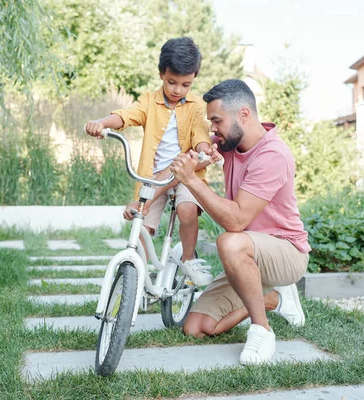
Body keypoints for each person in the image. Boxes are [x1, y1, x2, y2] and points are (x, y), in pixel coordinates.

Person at [169, 79, 311, 365]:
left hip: (286, 253)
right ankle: (273, 300)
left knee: (230, 242)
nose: (213, 130)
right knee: (196, 328)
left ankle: (262, 331)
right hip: (249, 253)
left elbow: (236, 220)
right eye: (211, 122)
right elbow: (186, 164)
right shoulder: (229, 144)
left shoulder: (273, 154)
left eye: (217, 121)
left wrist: (193, 181)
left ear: (243, 115)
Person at [85, 37, 215, 286]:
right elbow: (126, 116)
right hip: (155, 176)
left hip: (187, 173)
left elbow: (200, 133)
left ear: (194, 79)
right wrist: (101, 124)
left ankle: (188, 260)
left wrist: (203, 149)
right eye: (171, 82)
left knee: (187, 210)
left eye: (185, 84)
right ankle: (138, 278)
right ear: (161, 75)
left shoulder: (198, 105)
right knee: (143, 226)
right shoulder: (149, 101)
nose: (178, 90)